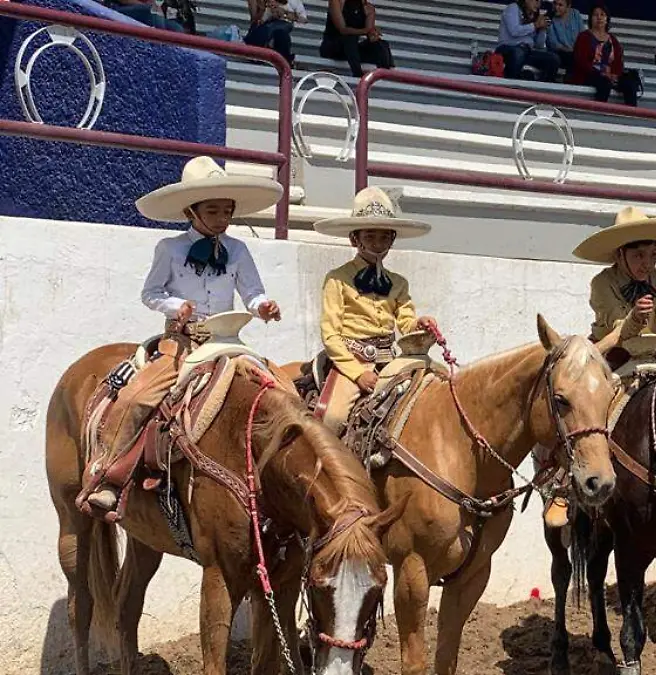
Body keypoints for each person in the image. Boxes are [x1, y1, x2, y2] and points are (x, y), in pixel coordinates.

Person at [82, 156, 284, 517]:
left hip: (228, 340)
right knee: (140, 396)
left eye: (227, 211)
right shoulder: (170, 249)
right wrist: (176, 306)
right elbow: (150, 293)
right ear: (192, 211)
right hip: (183, 341)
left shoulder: (238, 250)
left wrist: (264, 306)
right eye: (213, 210)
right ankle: (108, 475)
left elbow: (252, 293)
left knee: (277, 388)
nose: (222, 218)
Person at [535, 206, 656, 528]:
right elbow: (614, 328)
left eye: (652, 255)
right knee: (586, 416)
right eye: (639, 255)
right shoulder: (602, 283)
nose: (647, 263)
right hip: (610, 357)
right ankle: (562, 486)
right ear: (620, 254)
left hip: (655, 355)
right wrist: (634, 319)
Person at [312, 187, 439, 436]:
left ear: (392, 240)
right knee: (332, 418)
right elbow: (331, 335)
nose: (378, 244)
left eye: (384, 238)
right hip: (353, 361)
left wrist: (419, 324)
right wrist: (358, 374)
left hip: (390, 359)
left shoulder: (399, 282)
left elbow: (405, 323)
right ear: (354, 239)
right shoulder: (337, 279)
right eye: (370, 237)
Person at [568, 3, 640, 106]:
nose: (599, 18)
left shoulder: (613, 40)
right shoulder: (584, 37)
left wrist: (614, 74)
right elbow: (580, 61)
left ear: (607, 19)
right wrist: (600, 73)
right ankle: (599, 113)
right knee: (604, 83)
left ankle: (632, 115)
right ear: (591, 18)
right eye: (595, 15)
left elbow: (618, 62)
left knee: (630, 84)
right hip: (590, 74)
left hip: (610, 75)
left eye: (602, 15)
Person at [320, 0, 394, 78]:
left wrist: (373, 35)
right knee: (350, 38)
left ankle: (385, 73)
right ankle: (358, 74)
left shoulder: (368, 8)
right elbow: (342, 29)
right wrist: (365, 30)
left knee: (382, 44)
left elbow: (370, 33)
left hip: (351, 50)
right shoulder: (337, 2)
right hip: (333, 46)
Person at [496, 0, 560, 82]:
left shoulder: (535, 15)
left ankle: (540, 89)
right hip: (507, 48)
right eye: (536, 0)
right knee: (518, 53)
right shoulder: (513, 8)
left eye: (540, 1)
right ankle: (510, 85)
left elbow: (539, 45)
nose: (538, 4)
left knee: (554, 59)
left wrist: (542, 29)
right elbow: (514, 31)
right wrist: (535, 25)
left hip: (526, 51)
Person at [245, 0, 306, 67]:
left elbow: (303, 19)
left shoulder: (294, 2)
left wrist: (284, 13)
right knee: (266, 29)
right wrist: (266, 9)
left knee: (279, 32)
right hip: (268, 23)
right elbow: (259, 21)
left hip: (284, 22)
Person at [547, 0, 585, 76]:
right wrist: (570, 50)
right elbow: (553, 43)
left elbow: (582, 36)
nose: (556, 7)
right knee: (573, 58)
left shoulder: (575, 14)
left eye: (560, 5)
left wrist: (577, 50)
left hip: (576, 52)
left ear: (568, 6)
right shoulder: (549, 17)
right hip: (559, 52)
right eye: (555, 3)